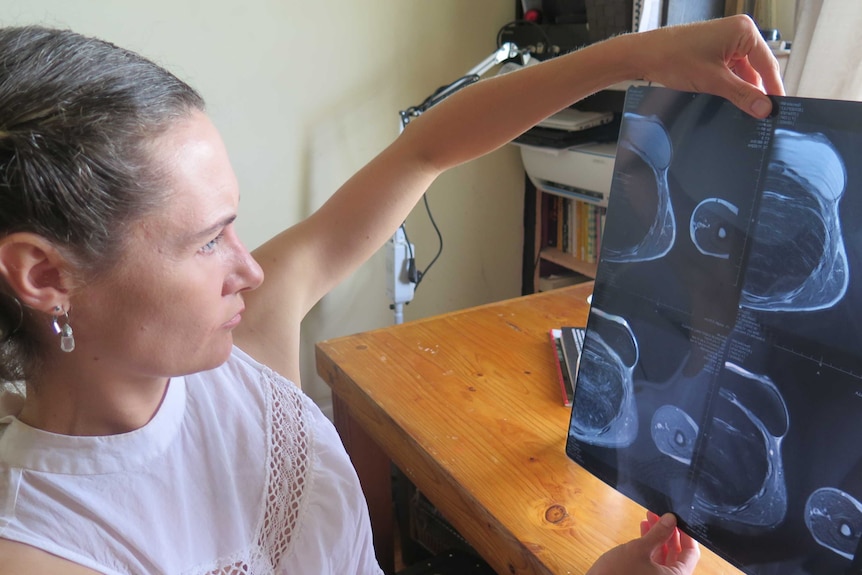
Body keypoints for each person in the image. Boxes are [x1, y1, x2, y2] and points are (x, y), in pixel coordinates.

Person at [0, 14, 782, 575]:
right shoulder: (43, 546)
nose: (253, 269)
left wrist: (637, 59)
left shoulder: (239, 349)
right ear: (44, 275)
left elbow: (427, 149)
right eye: (207, 241)